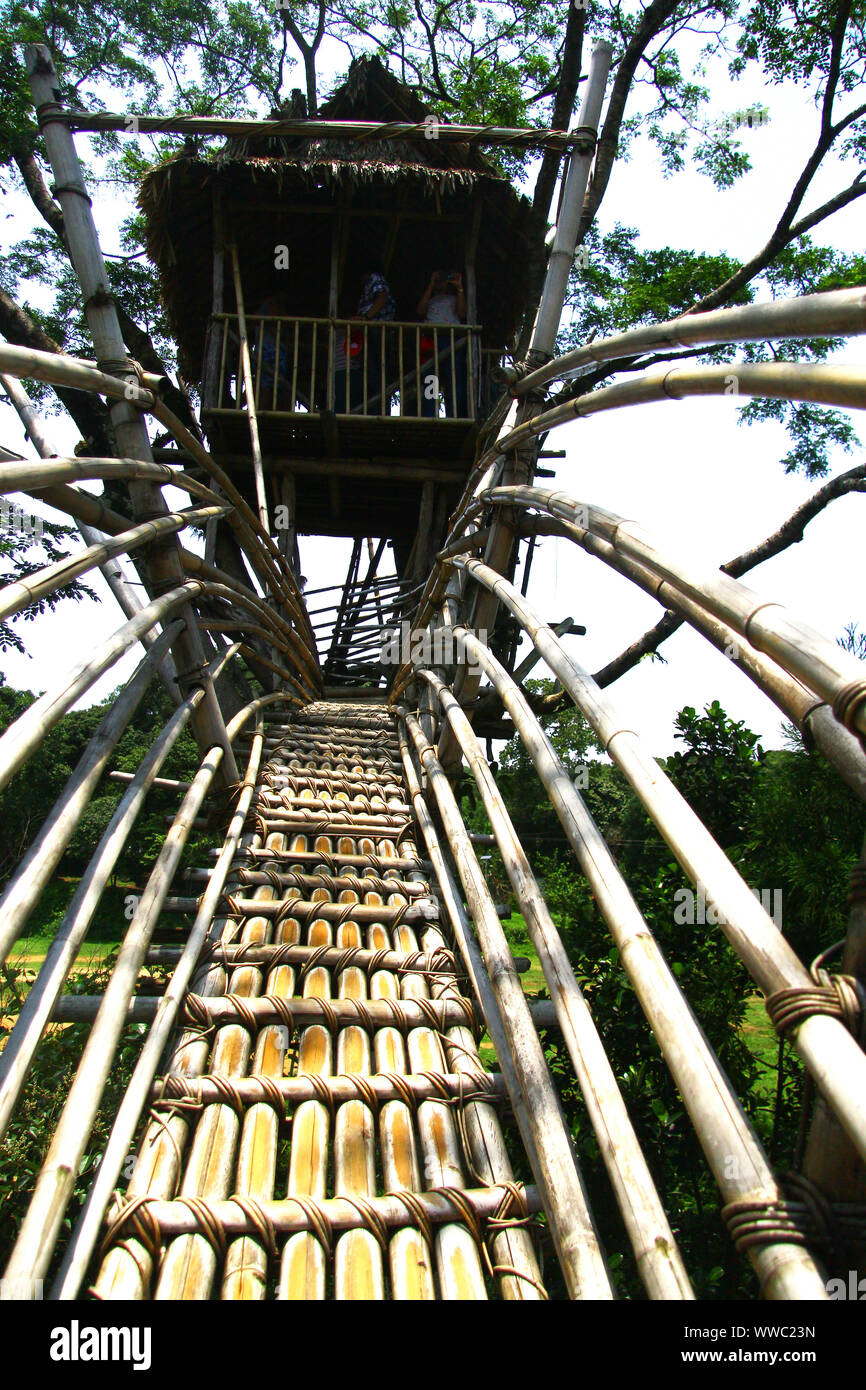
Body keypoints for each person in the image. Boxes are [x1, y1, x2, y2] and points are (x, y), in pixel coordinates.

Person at [333, 270, 395, 413]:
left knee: (377, 373)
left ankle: (378, 411)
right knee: (372, 373)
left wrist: (366, 318)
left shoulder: (375, 277)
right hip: (372, 332)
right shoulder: (369, 286)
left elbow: (382, 296)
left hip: (377, 331)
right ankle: (375, 409)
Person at [416, 269, 468, 418]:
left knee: (454, 379)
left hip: (451, 340)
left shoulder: (455, 297)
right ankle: (429, 414)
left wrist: (459, 287)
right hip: (431, 339)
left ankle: (454, 414)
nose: (442, 283)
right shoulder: (430, 298)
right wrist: (431, 285)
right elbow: (420, 311)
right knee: (430, 379)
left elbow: (462, 313)